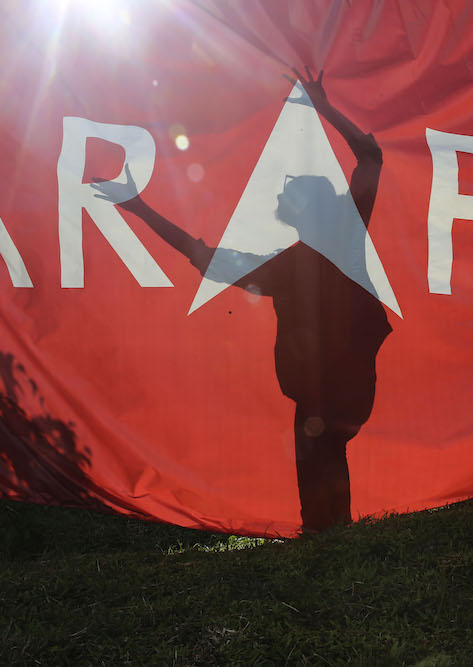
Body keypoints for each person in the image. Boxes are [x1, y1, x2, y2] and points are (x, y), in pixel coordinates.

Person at [95, 68, 390, 533]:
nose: (280, 194)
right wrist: (140, 208)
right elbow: (206, 258)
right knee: (327, 455)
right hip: (336, 391)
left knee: (323, 454)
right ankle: (332, 535)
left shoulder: (334, 240)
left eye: (288, 192)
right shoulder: (315, 252)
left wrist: (324, 106)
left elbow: (370, 156)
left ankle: (327, 535)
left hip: (332, 391)